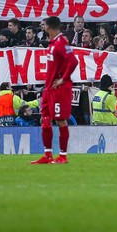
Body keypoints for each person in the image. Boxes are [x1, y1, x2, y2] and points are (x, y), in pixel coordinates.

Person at [31, 16, 79, 165]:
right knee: (44, 118)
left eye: (43, 25)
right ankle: (47, 155)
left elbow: (73, 61)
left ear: (49, 27)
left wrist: (63, 79)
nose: (42, 27)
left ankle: (63, 156)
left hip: (60, 88)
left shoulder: (61, 42)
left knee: (60, 120)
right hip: (49, 88)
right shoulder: (52, 44)